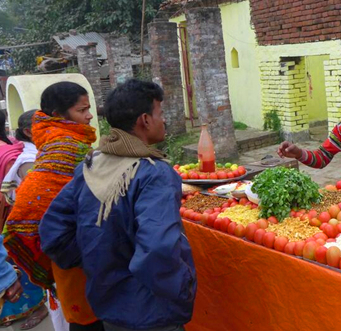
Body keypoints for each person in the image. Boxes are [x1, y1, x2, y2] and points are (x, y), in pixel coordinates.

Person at [40, 79, 197, 331]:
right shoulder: (154, 175)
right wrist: (183, 290)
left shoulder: (92, 165)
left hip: (108, 306)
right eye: (161, 113)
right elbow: (157, 250)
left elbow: (53, 231)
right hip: (150, 312)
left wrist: (99, 260)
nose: (164, 120)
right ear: (145, 120)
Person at [3, 82, 101, 331]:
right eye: (82, 110)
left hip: (74, 248)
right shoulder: (64, 149)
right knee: (88, 320)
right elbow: (30, 206)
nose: (89, 115)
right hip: (73, 252)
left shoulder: (57, 142)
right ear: (58, 115)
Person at [0, 110, 49, 329]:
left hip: (16, 220)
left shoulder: (14, 156)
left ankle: (36, 306)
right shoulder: (17, 153)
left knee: (23, 268)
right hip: (11, 220)